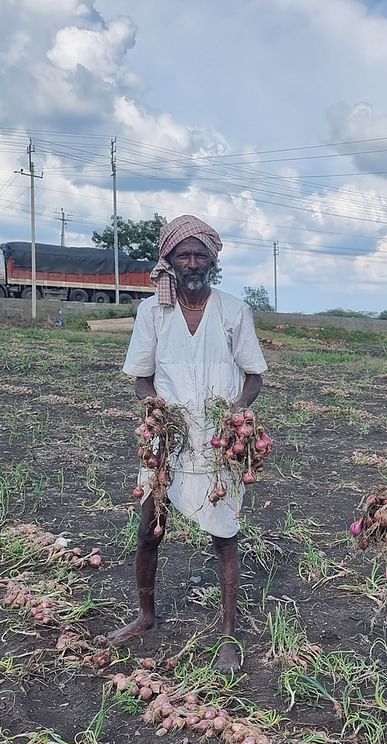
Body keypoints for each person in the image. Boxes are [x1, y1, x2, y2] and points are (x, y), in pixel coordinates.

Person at [111, 215, 268, 672]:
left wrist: (238, 412)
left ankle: (228, 636)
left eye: (200, 254)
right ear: (170, 260)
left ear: (213, 260)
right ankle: (145, 616)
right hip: (168, 440)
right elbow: (141, 377)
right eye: (184, 254)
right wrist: (153, 405)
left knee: (224, 537)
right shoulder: (151, 312)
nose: (193, 261)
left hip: (219, 443)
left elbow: (254, 375)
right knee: (148, 531)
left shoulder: (234, 311)